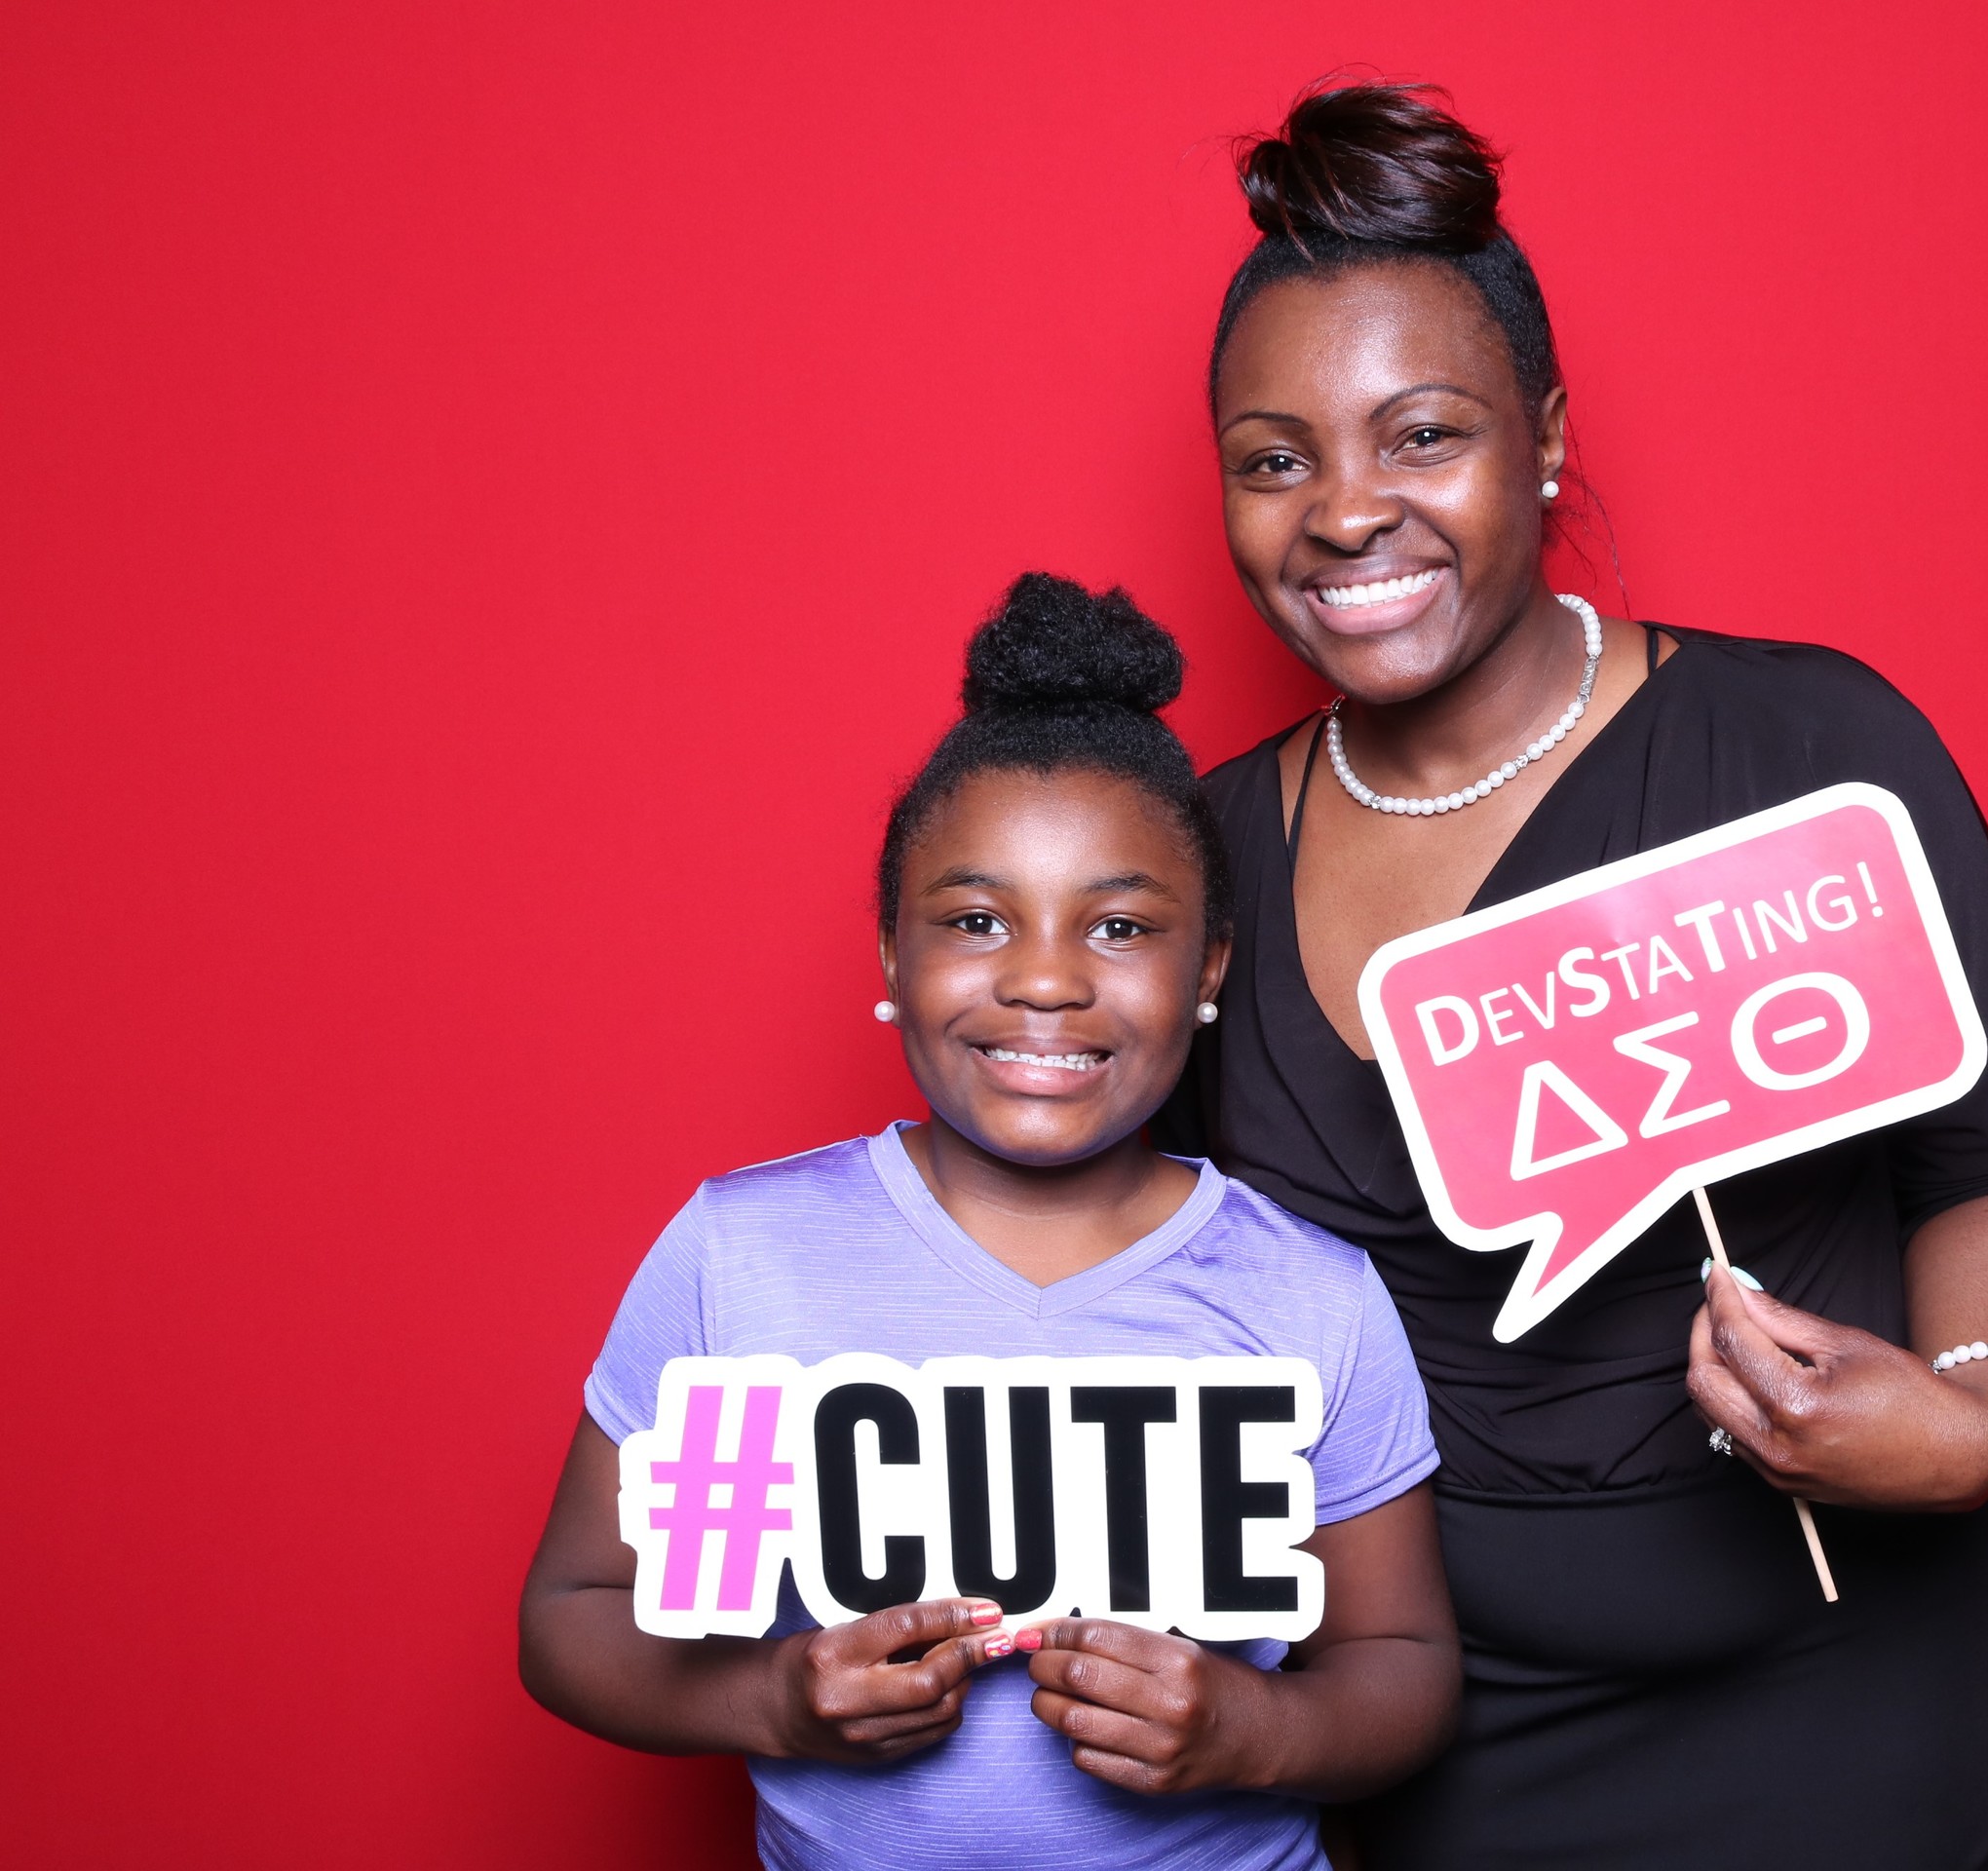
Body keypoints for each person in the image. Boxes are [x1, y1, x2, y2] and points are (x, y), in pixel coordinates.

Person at [1160, 85, 1988, 1868]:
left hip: (1833, 1710)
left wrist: (1978, 1415)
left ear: (1547, 439)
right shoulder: (1203, 858)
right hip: (1425, 1732)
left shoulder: (1810, 745)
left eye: (1423, 436)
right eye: (1274, 461)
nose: (1344, 513)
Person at [518, 574, 1461, 1871]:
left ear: (1209, 967)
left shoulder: (1307, 1295)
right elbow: (579, 1612)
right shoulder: (747, 1265)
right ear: (891, 956)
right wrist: (769, 1698)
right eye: (975, 921)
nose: (1044, 978)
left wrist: (1255, 1729)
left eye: (1119, 925)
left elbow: (1400, 1660)